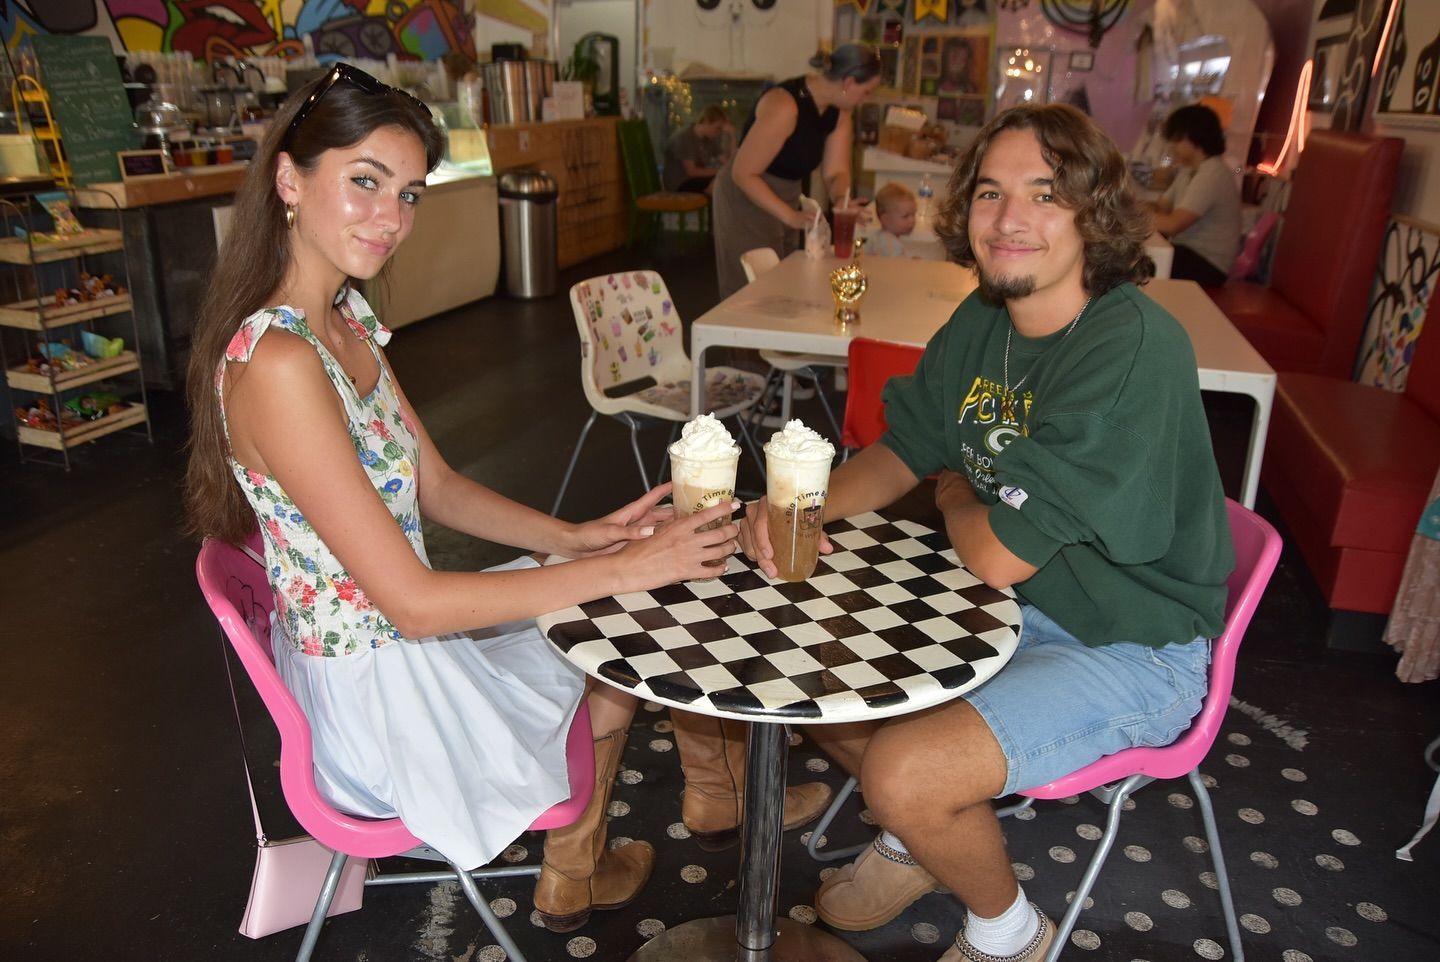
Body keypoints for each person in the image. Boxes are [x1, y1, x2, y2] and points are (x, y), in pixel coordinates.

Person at [183, 65, 828, 938]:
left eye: (408, 194)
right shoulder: (282, 364)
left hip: (392, 652)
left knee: (615, 597)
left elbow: (437, 484)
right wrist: (618, 563)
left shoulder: (343, 324)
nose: (391, 219)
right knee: (620, 623)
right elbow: (411, 605)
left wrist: (577, 538)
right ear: (290, 181)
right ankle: (585, 860)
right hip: (380, 703)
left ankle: (590, 861)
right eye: (365, 182)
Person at [738, 103, 1235, 962]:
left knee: (901, 767)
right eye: (990, 193)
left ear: (1093, 214)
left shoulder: (1132, 346)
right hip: (1020, 610)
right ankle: (918, 837)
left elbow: (996, 552)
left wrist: (960, 493)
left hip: (1133, 645)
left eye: (1046, 194)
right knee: (800, 675)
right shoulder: (985, 319)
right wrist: (800, 511)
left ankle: (1009, 933)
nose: (1010, 220)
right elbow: (903, 451)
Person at [712, 42, 882, 298]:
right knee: (750, 292)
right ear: (848, 83)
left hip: (786, 192)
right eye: (866, 91)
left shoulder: (839, 112)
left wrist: (841, 201)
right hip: (745, 195)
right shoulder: (785, 106)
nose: (866, 100)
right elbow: (743, 173)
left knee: (782, 279)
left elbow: (836, 171)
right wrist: (790, 216)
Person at [1147, 104, 1241, 287]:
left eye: (1177, 139)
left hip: (1208, 265)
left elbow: (1172, 224)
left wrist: (1128, 215)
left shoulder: (1213, 173)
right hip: (1187, 252)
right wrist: (1132, 207)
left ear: (1196, 138)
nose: (1172, 146)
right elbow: (1161, 207)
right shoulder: (1189, 170)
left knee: (1130, 264)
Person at [663, 104, 734, 193]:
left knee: (727, 182)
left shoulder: (709, 139)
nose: (719, 132)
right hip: (680, 182)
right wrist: (720, 171)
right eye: (718, 128)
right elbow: (691, 172)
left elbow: (728, 163)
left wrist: (732, 136)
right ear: (707, 122)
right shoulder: (685, 137)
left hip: (696, 180)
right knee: (721, 183)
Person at [866, 182, 918, 257]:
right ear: (886, 219)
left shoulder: (879, 237)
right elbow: (898, 267)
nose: (912, 220)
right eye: (905, 216)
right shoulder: (890, 244)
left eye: (913, 215)